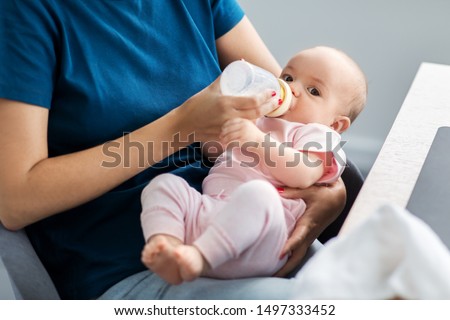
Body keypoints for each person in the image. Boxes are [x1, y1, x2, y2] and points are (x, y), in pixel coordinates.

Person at [0, 1, 348, 299]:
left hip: (258, 232)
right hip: (135, 265)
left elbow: (294, 112)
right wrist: (183, 126)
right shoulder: (25, 13)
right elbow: (15, 201)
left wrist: (333, 192)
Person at [140, 46, 367, 284]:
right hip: (212, 213)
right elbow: (213, 150)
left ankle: (199, 257)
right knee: (165, 185)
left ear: (336, 125)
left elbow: (303, 175)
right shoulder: (259, 119)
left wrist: (257, 141)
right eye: (288, 77)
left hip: (261, 238)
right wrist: (227, 119)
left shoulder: (319, 135)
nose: (292, 88)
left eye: (313, 91)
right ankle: (168, 246)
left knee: (259, 194)